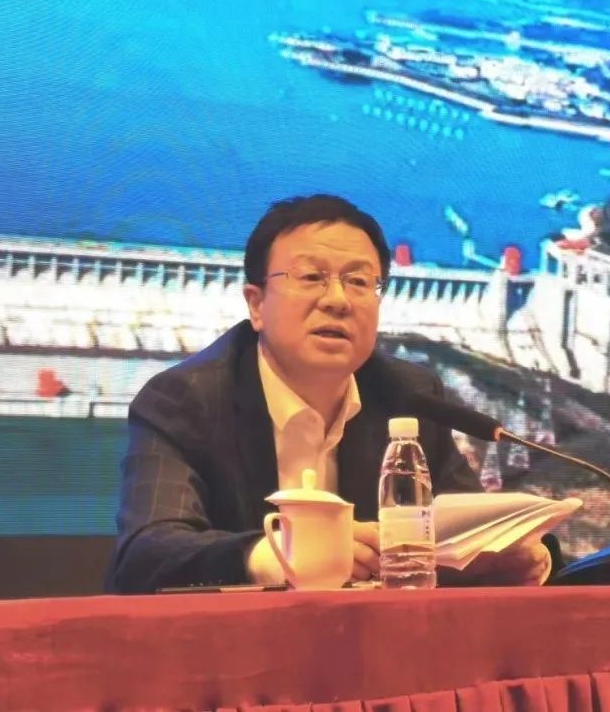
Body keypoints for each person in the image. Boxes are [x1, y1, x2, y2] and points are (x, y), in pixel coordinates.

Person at [106, 195, 551, 593]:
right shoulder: (186, 400)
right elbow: (146, 554)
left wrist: (513, 556)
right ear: (257, 304)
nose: (338, 300)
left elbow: (471, 531)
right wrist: (278, 556)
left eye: (359, 282)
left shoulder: (407, 394)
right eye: (311, 277)